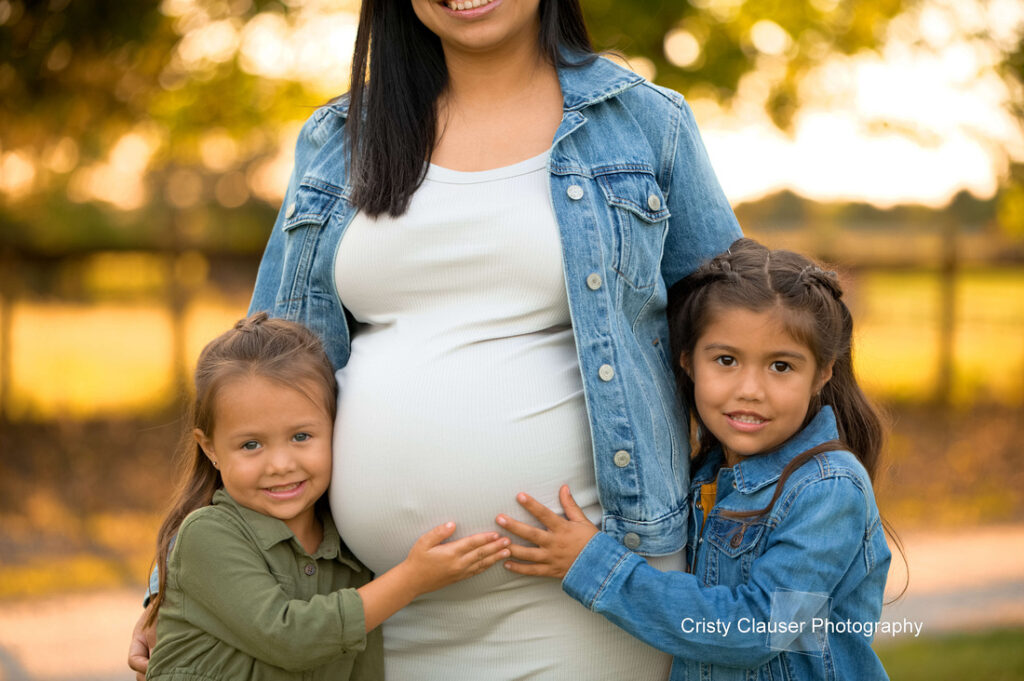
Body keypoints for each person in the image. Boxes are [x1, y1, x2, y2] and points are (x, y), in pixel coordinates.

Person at [130, 0, 743, 677]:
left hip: (586, 595)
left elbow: (745, 346)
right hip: (373, 605)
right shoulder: (339, 140)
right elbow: (255, 381)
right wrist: (173, 582)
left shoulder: (644, 125)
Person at [497, 238, 893, 680]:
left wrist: (595, 565)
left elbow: (757, 630)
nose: (750, 389)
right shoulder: (704, 474)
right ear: (687, 361)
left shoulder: (828, 489)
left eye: (781, 366)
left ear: (822, 373)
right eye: (726, 360)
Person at [143, 313, 510, 681]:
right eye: (251, 444)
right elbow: (290, 638)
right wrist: (413, 577)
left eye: (301, 436)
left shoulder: (349, 544)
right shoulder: (207, 535)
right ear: (210, 449)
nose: (281, 464)